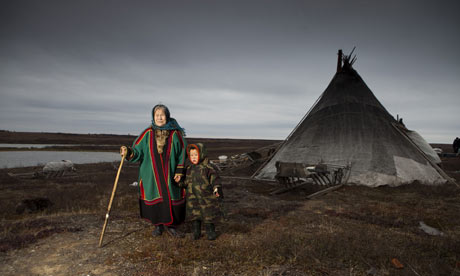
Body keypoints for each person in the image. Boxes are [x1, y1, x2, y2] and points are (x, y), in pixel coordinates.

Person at [120, 104, 187, 237]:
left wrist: (179, 170)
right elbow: (137, 151)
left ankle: (171, 226)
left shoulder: (176, 133)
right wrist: (128, 152)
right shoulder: (147, 133)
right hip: (151, 174)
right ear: (153, 117)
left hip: (171, 173)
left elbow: (182, 152)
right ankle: (158, 226)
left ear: (167, 116)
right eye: (157, 115)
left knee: (172, 196)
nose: (159, 118)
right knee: (154, 195)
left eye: (162, 115)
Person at [178, 143, 223, 240]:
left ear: (202, 154)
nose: (193, 157)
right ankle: (196, 232)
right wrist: (179, 182)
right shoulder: (189, 169)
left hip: (206, 198)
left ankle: (210, 232)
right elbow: (186, 182)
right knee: (195, 215)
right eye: (191, 155)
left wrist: (216, 188)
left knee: (208, 214)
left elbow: (215, 179)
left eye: (195, 155)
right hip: (192, 198)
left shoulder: (208, 168)